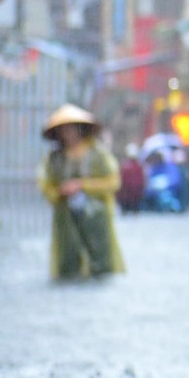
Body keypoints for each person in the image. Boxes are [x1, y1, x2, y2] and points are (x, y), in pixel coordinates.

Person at [37, 105, 126, 280]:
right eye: (64, 130)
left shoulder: (97, 154)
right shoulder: (55, 159)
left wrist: (82, 185)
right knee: (68, 259)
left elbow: (113, 181)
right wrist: (60, 192)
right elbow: (46, 185)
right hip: (65, 217)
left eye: (72, 129)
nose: (68, 134)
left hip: (96, 215)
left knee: (100, 258)